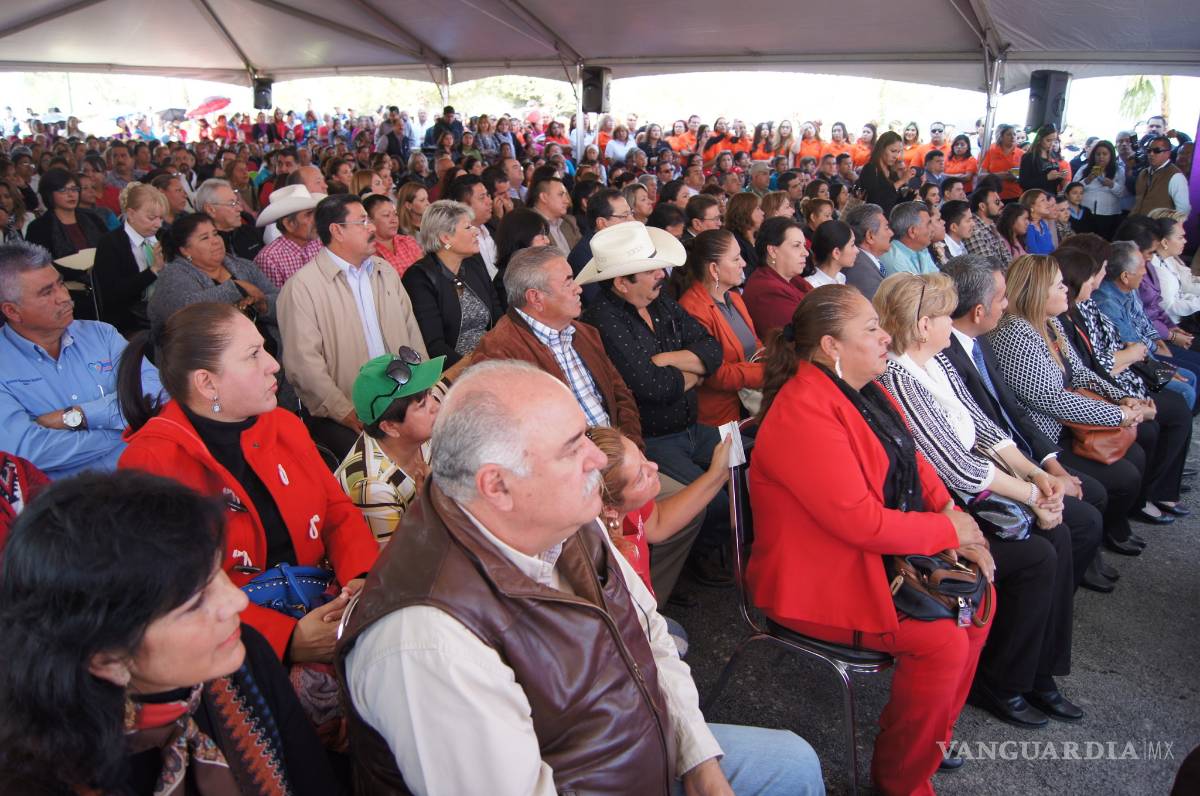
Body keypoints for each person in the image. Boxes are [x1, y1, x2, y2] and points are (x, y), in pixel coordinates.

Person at [336, 360, 824, 795]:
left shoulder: (565, 514)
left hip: (639, 741)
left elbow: (648, 631)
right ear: (498, 485)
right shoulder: (428, 641)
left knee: (793, 762)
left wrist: (697, 757)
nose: (597, 461)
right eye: (572, 449)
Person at [748, 284, 992, 795]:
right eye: (871, 329)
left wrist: (949, 511)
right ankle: (902, 780)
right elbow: (859, 522)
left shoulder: (864, 390)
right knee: (943, 641)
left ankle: (927, 746)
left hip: (863, 559)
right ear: (832, 346)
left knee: (979, 602)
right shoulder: (802, 409)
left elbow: (913, 458)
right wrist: (951, 530)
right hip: (816, 582)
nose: (886, 338)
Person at [0, 469, 341, 795]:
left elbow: (316, 782)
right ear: (108, 659)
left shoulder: (242, 657)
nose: (236, 600)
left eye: (217, 572)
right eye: (194, 603)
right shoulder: (47, 777)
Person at [874, 271, 1087, 728]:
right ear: (923, 324)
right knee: (1037, 556)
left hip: (981, 486)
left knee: (1064, 535)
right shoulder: (897, 375)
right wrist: (1032, 494)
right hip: (948, 500)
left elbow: (984, 428)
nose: (953, 324)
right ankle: (1003, 680)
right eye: (945, 316)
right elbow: (956, 469)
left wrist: (1036, 474)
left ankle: (1039, 673)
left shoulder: (938, 362)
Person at [118, 301, 378, 667]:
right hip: (232, 653)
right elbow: (173, 595)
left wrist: (361, 578)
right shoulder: (150, 464)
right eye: (254, 355)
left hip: (325, 605)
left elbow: (336, 512)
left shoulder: (283, 424)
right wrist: (285, 639)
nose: (273, 363)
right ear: (206, 383)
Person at [941, 253, 1117, 592]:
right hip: (997, 470)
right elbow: (979, 438)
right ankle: (1056, 600)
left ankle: (1062, 593)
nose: (1006, 305)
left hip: (1020, 456)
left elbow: (1013, 412)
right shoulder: (950, 354)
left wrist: (1050, 464)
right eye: (1000, 298)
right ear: (978, 311)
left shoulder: (981, 342)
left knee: (1088, 501)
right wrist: (1035, 484)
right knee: (1072, 527)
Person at [579, 223, 734, 586]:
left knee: (746, 463)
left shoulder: (659, 300)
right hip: (656, 439)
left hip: (690, 426)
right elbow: (652, 388)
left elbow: (714, 350)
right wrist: (691, 369)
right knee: (713, 502)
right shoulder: (603, 320)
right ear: (621, 283)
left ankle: (713, 549)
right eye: (651, 270)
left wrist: (668, 359)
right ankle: (700, 559)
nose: (662, 275)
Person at [988, 255, 1151, 556]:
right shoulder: (1015, 333)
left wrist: (1119, 397)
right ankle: (1092, 548)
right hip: (1042, 438)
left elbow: (1080, 372)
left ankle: (1105, 536)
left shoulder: (1049, 324)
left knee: (1136, 455)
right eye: (1058, 285)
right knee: (1115, 482)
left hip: (1064, 428)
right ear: (1038, 291)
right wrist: (1118, 415)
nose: (1066, 290)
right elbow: (1050, 399)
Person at [277, 193, 427, 459]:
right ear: (337, 230)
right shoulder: (303, 287)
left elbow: (411, 331)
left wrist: (423, 385)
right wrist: (344, 411)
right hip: (346, 411)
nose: (371, 228)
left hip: (401, 397)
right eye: (362, 222)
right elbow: (304, 365)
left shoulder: (384, 271)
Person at [1055, 242, 1191, 524]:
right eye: (1097, 272)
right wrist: (1123, 407)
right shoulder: (1076, 311)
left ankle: (1159, 487)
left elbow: (1132, 341)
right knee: (1163, 417)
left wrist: (1127, 398)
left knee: (1178, 400)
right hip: (1103, 391)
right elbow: (1089, 369)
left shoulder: (1088, 304)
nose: (1099, 279)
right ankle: (1148, 495)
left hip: (1123, 379)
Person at [0, 241, 160, 479]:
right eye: (47, 292)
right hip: (70, 507)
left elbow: (154, 393)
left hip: (145, 478)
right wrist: (126, 428)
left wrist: (77, 416)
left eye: (60, 284)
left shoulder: (101, 334)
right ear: (12, 311)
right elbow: (27, 451)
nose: (64, 297)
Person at [335, 351, 444, 547]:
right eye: (422, 404)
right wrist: (428, 506)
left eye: (430, 394)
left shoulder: (419, 434)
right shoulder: (372, 487)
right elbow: (396, 567)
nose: (436, 406)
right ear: (390, 427)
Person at [675, 229, 764, 426]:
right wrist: (765, 373)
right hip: (721, 418)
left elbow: (753, 343)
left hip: (749, 408)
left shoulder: (734, 298)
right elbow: (715, 373)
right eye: (736, 259)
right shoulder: (692, 308)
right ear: (714, 269)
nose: (744, 263)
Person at [403, 199, 502, 365]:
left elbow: (498, 313)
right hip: (455, 370)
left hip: (491, 357)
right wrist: (473, 367)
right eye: (468, 227)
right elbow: (434, 346)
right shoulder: (419, 278)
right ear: (445, 238)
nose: (476, 231)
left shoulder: (473, 264)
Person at [148, 212, 277, 335]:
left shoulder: (243, 266)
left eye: (215, 234)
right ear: (185, 250)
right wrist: (237, 288)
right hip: (208, 355)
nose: (215, 241)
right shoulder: (173, 275)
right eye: (205, 238)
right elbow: (186, 311)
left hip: (272, 348)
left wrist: (263, 306)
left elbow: (280, 302)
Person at [91, 182, 167, 335]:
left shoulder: (164, 236)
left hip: (165, 310)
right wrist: (153, 270)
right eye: (151, 218)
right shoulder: (110, 243)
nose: (157, 224)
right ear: (131, 214)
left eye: (160, 218)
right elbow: (113, 295)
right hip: (131, 321)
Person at [23, 169, 106, 259]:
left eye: (74, 189)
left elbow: (108, 246)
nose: (71, 194)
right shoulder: (38, 228)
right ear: (49, 194)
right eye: (63, 190)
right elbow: (35, 262)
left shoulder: (92, 218)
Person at [252, 184, 324, 288]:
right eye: (308, 214)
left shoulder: (321, 243)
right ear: (289, 224)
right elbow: (276, 301)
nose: (316, 218)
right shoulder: (269, 259)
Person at [364, 192, 422, 277]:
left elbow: (425, 274)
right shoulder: (367, 252)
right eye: (386, 215)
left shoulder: (408, 241)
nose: (394, 220)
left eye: (395, 214)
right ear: (369, 220)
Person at [1131, 135, 1190, 216]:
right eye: (1149, 150)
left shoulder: (1176, 176)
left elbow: (1184, 210)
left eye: (1156, 150)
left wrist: (1166, 226)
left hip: (1160, 226)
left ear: (1168, 153)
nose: (1151, 154)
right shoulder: (1143, 173)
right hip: (1138, 224)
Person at [1077, 141, 1125, 239]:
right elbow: (1072, 189)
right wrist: (1087, 180)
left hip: (1110, 215)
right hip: (1087, 214)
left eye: (1105, 154)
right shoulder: (1084, 169)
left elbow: (1122, 193)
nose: (1101, 157)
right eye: (1098, 154)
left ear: (1111, 155)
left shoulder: (1119, 170)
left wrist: (1112, 185)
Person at [880, 201, 936, 275]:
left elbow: (938, 280)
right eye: (928, 224)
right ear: (912, 231)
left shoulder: (922, 249)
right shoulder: (894, 259)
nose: (932, 229)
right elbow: (918, 286)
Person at [857, 131, 905, 216]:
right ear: (882, 148)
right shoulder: (870, 169)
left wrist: (911, 192)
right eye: (893, 151)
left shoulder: (892, 172)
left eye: (898, 152)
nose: (896, 156)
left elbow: (897, 202)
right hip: (872, 221)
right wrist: (901, 181)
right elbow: (877, 200)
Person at [528, 177, 580, 255]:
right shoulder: (527, 225)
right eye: (561, 194)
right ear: (544, 197)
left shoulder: (569, 222)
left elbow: (583, 256)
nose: (567, 201)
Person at [806, 219, 858, 288]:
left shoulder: (840, 278)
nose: (857, 250)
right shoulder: (812, 286)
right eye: (852, 244)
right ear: (836, 253)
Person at [980, 124, 1024, 202]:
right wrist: (1003, 175)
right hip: (994, 195)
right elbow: (981, 175)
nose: (1013, 137)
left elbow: (1024, 175)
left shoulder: (1022, 154)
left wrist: (1015, 176)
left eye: (1014, 134)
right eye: (1009, 134)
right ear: (1001, 136)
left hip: (1016, 195)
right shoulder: (991, 152)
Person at [723, 191, 763, 274]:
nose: (763, 213)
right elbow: (743, 274)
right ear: (745, 212)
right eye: (758, 209)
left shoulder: (760, 237)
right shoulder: (734, 240)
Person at [1019, 125, 1065, 195]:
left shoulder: (1053, 155)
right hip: (1035, 198)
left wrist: (1059, 176)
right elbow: (1024, 183)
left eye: (1054, 140)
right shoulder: (1029, 157)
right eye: (1048, 140)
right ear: (1039, 139)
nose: (1052, 144)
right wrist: (1046, 178)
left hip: (1050, 197)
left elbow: (1052, 183)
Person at [1020, 189, 1058, 254]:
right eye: (1043, 200)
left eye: (1046, 200)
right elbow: (1034, 254)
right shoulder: (1028, 227)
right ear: (1031, 206)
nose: (1048, 204)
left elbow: (1051, 247)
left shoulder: (1042, 223)